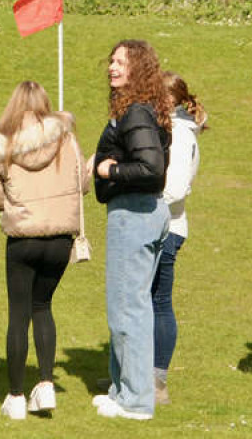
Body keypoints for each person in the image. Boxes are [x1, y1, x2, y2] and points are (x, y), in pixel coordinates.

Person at [0, 81, 89, 419]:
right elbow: (81, 184)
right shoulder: (66, 137)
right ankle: (46, 383)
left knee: (18, 315)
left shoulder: (1, 146)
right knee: (43, 307)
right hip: (60, 239)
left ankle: (16, 395)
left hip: (23, 239)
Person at [91, 40, 171, 420]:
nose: (112, 66)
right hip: (143, 214)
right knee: (130, 306)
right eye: (111, 60)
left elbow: (153, 167)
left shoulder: (136, 112)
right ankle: (122, 389)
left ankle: (136, 401)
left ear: (138, 70)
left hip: (136, 215)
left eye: (121, 62)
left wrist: (110, 171)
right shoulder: (141, 109)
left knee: (127, 309)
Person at [151, 71, 207, 405]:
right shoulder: (172, 128)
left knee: (158, 301)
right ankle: (134, 370)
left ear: (170, 99)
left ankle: (158, 380)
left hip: (167, 228)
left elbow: (176, 188)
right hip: (158, 223)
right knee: (142, 300)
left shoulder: (181, 134)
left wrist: (140, 198)